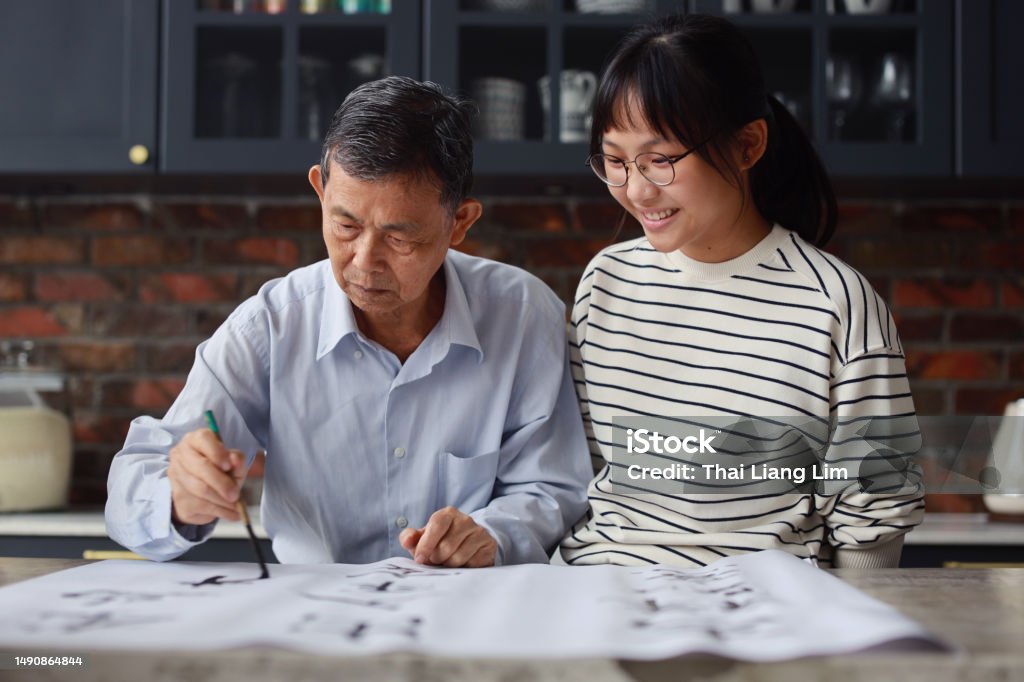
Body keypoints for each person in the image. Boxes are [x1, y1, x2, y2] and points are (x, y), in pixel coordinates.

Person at [106, 76, 592, 568]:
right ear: (320, 189)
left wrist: (493, 534)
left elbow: (554, 486)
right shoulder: (272, 326)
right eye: (346, 226)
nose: (363, 262)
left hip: (466, 616)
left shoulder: (524, 315)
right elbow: (132, 486)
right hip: (311, 618)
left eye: (400, 238)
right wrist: (177, 496)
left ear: (460, 222)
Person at [559, 14, 924, 568]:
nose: (635, 189)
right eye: (615, 161)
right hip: (596, 598)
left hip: (763, 615)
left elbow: (871, 523)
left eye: (661, 160)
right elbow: (582, 474)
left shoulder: (838, 305)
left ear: (748, 145)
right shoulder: (605, 282)